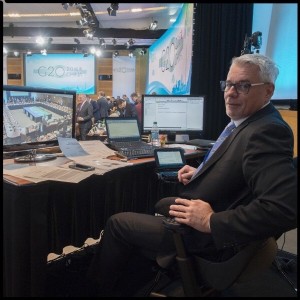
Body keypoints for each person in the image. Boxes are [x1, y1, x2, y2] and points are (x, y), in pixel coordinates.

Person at [87, 54, 297, 296]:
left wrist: (211, 221)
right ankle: (139, 273)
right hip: (204, 216)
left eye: (243, 85)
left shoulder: (267, 131)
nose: (230, 93)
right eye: (228, 84)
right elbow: (242, 173)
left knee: (117, 223)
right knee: (159, 202)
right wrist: (203, 170)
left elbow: (285, 208)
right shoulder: (250, 123)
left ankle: (96, 289)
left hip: (205, 238)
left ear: (268, 91)